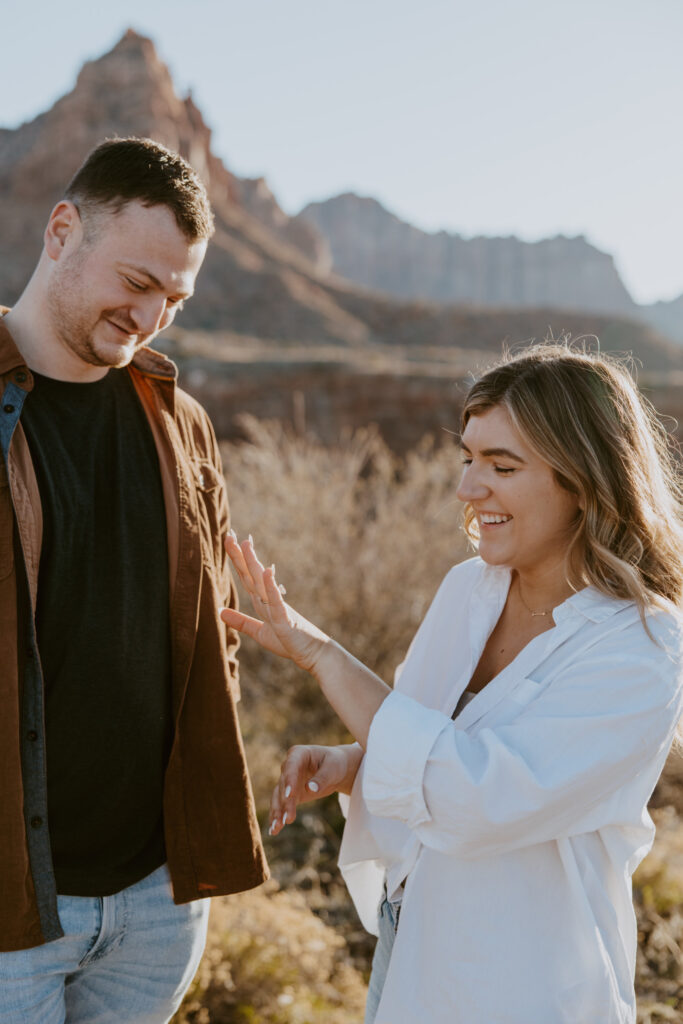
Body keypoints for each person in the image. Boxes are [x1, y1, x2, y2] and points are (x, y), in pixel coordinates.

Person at [221, 344, 683, 1024]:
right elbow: (423, 730)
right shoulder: (468, 587)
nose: (468, 488)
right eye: (467, 459)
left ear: (583, 480)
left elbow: (477, 797)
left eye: (501, 466)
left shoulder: (641, 647)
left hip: (527, 986)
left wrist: (324, 656)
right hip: (411, 956)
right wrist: (356, 765)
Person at [0, 137, 268, 1023]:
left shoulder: (180, 422)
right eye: (137, 281)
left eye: (175, 298)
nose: (150, 316)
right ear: (62, 231)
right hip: (11, 908)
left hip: (155, 905)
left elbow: (205, 635)